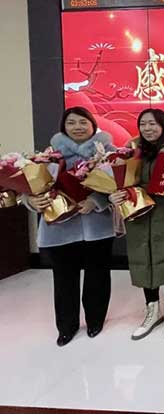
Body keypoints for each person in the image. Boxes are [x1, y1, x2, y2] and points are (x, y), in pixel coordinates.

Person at [25, 107, 115, 346]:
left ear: (93, 125)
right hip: (60, 227)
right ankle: (67, 327)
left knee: (98, 275)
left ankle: (95, 320)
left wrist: (96, 201)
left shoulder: (107, 153)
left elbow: (120, 185)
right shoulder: (49, 155)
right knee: (64, 279)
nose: (77, 127)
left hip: (97, 225)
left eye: (83, 122)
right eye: (71, 122)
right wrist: (32, 201)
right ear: (63, 127)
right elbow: (30, 187)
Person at [110, 109, 164, 340]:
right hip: (138, 213)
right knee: (144, 260)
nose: (147, 128)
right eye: (143, 124)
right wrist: (114, 194)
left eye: (153, 124)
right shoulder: (130, 151)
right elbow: (117, 181)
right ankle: (152, 310)